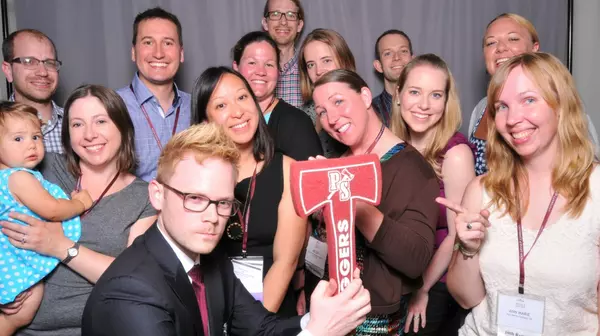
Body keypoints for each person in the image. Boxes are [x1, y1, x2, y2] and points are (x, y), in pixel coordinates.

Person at [81, 122, 372, 336]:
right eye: (194, 198)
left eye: (223, 202)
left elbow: (261, 329)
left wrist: (317, 319)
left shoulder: (211, 260)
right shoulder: (130, 293)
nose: (212, 217)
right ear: (158, 194)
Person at [441, 52, 600, 335]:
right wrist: (468, 247)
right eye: (501, 106)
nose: (513, 119)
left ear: (561, 104)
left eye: (529, 100)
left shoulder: (595, 190)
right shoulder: (481, 190)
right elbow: (467, 298)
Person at [0, 84, 157, 336]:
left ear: (122, 126)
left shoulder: (144, 197)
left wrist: (58, 245)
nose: (89, 134)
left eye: (101, 121)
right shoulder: (39, 167)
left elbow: (132, 277)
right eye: (77, 124)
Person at [312, 69, 440, 335]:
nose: (332, 118)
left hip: (378, 325)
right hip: (329, 317)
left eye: (338, 101)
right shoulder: (337, 164)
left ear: (366, 96)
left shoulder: (413, 168)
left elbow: (416, 259)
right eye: (321, 111)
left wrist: (354, 205)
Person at [191, 67, 306, 317]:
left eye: (243, 97)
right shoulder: (195, 174)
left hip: (270, 308)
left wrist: (256, 327)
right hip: (209, 307)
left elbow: (285, 261)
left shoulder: (288, 170)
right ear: (205, 120)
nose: (238, 111)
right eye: (221, 106)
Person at [388, 55, 475, 335]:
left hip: (437, 282)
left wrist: (422, 289)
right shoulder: (393, 147)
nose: (424, 105)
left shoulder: (455, 154)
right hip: (399, 276)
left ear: (446, 101)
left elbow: (456, 235)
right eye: (415, 92)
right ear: (398, 94)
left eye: (435, 95)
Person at [467, 13, 598, 175]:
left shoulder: (558, 100)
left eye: (513, 39)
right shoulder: (481, 108)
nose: (500, 48)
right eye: (491, 43)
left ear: (534, 48)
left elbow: (586, 165)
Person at [117, 7, 191, 181]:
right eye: (148, 42)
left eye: (168, 43)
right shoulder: (112, 106)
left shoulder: (197, 106)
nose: (158, 53)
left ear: (181, 53)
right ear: (134, 52)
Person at [231, 31, 323, 160]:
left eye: (269, 64)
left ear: (278, 72)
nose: (261, 72)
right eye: (252, 63)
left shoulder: (297, 123)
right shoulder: (225, 118)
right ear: (236, 67)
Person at [1, 29, 65, 153]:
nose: (43, 72)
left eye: (50, 63)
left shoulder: (80, 126)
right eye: (29, 62)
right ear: (8, 70)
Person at [298, 28, 355, 158]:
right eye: (311, 65)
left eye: (326, 61)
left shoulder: (362, 104)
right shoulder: (302, 115)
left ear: (344, 61)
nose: (318, 71)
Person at [261, 0, 305, 108]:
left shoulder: (311, 72)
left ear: (299, 25)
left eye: (290, 15)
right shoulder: (252, 73)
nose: (283, 22)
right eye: (275, 14)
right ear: (265, 23)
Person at [372, 29, 414, 127]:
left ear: (413, 60)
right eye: (388, 53)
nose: (396, 57)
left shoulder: (429, 106)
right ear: (379, 66)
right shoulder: (370, 113)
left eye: (403, 51)